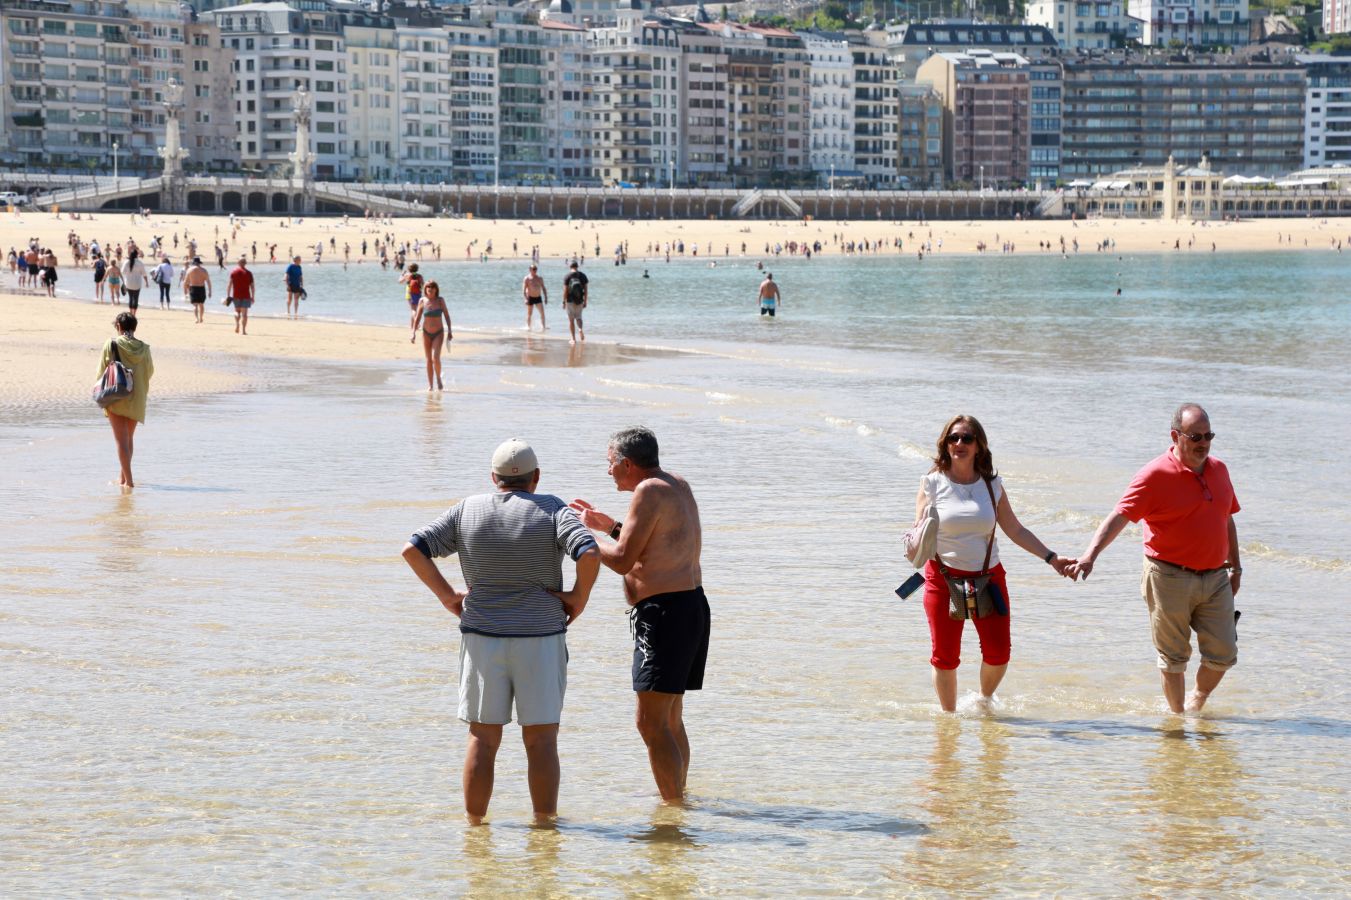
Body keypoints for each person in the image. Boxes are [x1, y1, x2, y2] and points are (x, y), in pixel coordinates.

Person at [401, 439, 600, 825]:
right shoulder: (553, 508)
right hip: (540, 638)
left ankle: (476, 829)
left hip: (482, 637)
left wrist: (448, 597)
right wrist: (578, 597)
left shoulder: (468, 509)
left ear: (493, 478)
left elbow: (413, 549)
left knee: (483, 739)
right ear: (536, 478)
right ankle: (543, 827)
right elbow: (589, 552)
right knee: (541, 741)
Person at [1067, 404, 1242, 714]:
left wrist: (1236, 566)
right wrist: (1089, 555)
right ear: (1176, 436)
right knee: (1174, 658)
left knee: (1224, 653)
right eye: (1195, 436)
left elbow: (1226, 518)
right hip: (1168, 576)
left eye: (1208, 435)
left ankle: (1196, 701)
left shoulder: (1220, 469)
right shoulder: (1154, 474)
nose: (1203, 442)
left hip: (1216, 577)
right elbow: (1119, 516)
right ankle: (1177, 722)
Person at [569, 427, 708, 802]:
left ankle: (672, 811)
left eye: (610, 464)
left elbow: (622, 560)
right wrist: (608, 526)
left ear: (627, 463)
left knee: (649, 722)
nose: (608, 472)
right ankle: (678, 798)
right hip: (689, 607)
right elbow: (655, 544)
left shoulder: (647, 491)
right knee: (669, 719)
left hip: (664, 614)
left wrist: (579, 535)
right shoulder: (674, 483)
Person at [912, 415, 1074, 713]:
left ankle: (983, 700)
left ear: (978, 446)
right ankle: (949, 722)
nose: (959, 443)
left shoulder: (992, 486)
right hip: (943, 578)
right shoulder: (932, 484)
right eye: (953, 438)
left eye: (967, 438)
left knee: (999, 654)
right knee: (945, 656)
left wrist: (1051, 558)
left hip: (988, 577)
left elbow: (1015, 529)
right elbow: (918, 530)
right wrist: (915, 535)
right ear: (945, 444)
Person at [98, 312, 154, 488]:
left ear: (118, 327)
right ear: (134, 328)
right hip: (137, 397)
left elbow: (101, 371)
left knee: (121, 441)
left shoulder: (111, 343)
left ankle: (129, 482)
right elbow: (150, 371)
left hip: (117, 395)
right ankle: (122, 478)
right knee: (128, 439)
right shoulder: (144, 348)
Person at [411, 280, 451, 391]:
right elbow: (417, 317)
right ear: (425, 289)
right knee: (428, 359)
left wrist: (450, 331)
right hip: (426, 333)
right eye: (428, 286)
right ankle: (430, 385)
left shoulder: (440, 301)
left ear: (436, 289)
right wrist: (413, 332)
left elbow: (447, 316)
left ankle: (438, 378)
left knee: (435, 358)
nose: (430, 288)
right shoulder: (422, 301)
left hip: (438, 333)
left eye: (433, 287)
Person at [227, 256, 255, 335]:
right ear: (245, 263)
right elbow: (252, 287)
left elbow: (229, 285)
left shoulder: (233, 272)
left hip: (236, 295)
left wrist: (228, 295)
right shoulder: (249, 273)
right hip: (246, 296)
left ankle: (237, 324)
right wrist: (253, 297)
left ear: (238, 263)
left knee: (237, 312)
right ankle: (243, 331)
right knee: (244, 314)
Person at [562, 261, 588, 344]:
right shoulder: (583, 276)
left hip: (570, 301)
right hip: (579, 300)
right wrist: (585, 301)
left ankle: (573, 339)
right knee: (579, 317)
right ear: (577, 267)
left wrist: (563, 301)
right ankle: (580, 329)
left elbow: (565, 290)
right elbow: (586, 290)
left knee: (571, 320)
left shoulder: (567, 276)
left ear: (570, 267)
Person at [183, 257, 211, 324]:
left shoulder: (189, 270)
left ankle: (196, 319)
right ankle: (201, 318)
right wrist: (210, 291)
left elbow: (185, 282)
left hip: (193, 288)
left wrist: (185, 292)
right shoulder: (204, 270)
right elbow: (208, 282)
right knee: (201, 304)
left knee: (195, 305)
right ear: (199, 263)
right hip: (201, 288)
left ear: (194, 263)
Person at [523, 263, 548, 332]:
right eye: (533, 269)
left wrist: (546, 297)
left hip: (538, 298)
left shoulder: (539, 278)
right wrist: (525, 299)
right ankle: (528, 327)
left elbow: (543, 288)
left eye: (536, 269)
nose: (535, 270)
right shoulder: (527, 278)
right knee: (529, 314)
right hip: (530, 297)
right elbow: (524, 290)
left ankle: (543, 327)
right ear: (530, 270)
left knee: (542, 313)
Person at [399, 263, 424, 331]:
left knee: (413, 310)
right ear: (417, 269)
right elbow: (423, 285)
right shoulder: (420, 276)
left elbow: (400, 281)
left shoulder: (407, 275)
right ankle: (414, 325)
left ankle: (413, 325)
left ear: (409, 269)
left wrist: (402, 274)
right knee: (415, 310)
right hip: (418, 294)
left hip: (409, 293)